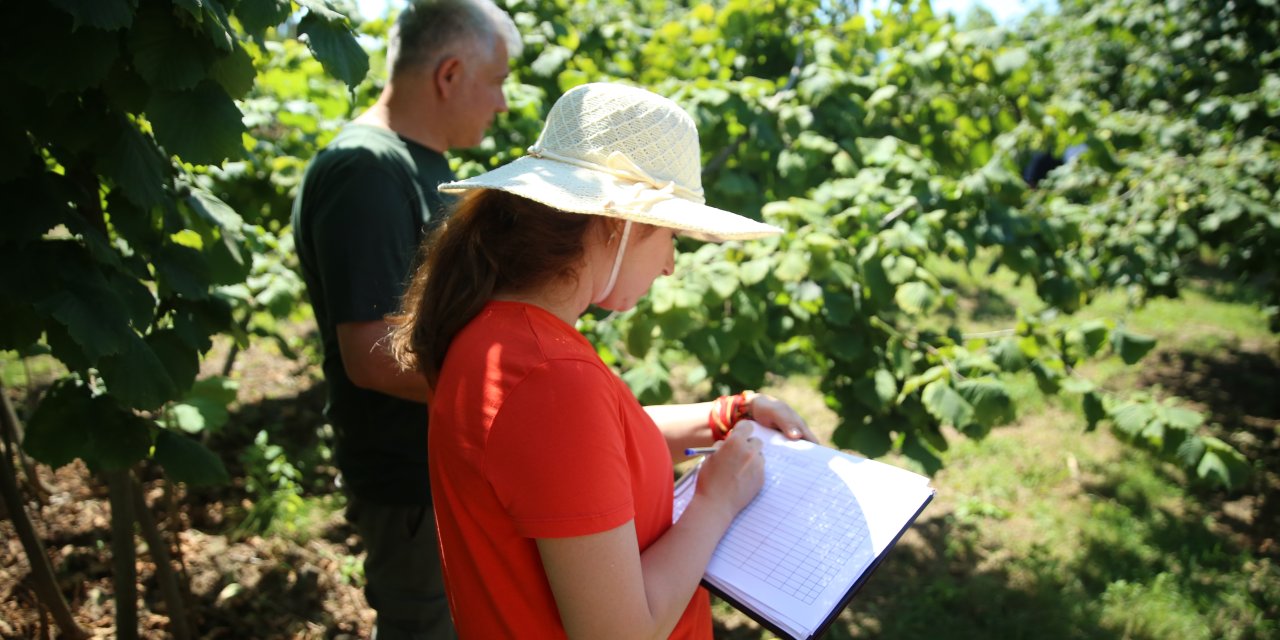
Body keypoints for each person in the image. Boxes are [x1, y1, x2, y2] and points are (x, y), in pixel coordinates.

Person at [387, 82, 818, 639]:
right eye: (669, 235)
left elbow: (593, 454)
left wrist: (723, 416)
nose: (669, 265)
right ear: (620, 224)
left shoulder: (497, 337)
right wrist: (715, 501)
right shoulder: (551, 379)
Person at [290, 1, 521, 637]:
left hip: (449, 466)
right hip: (412, 481)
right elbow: (372, 353)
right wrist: (520, 397)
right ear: (449, 74)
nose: (501, 102)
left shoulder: (421, 165)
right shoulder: (367, 169)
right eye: (496, 81)